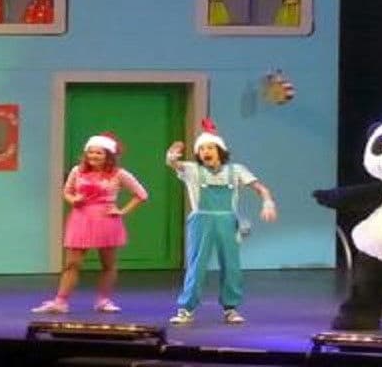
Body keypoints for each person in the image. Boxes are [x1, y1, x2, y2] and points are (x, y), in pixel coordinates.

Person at [166, 117, 276, 325]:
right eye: (201, 149)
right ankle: (186, 309)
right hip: (201, 220)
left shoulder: (236, 170)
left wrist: (268, 201)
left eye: (210, 148)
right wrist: (172, 155)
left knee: (231, 265)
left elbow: (260, 188)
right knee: (196, 265)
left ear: (220, 150)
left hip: (227, 220)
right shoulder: (192, 170)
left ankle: (231, 308)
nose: (205, 152)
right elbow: (173, 164)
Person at [32, 133, 148, 314]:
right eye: (90, 152)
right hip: (81, 218)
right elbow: (67, 192)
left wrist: (122, 211)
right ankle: (60, 302)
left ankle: (103, 300)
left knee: (108, 264)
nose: (93, 156)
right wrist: (74, 200)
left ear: (108, 155)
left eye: (99, 153)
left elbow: (141, 194)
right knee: (72, 263)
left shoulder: (119, 174)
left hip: (106, 220)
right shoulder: (77, 171)